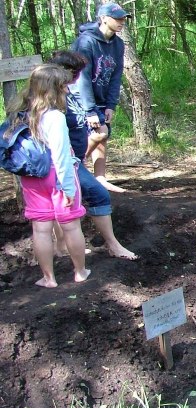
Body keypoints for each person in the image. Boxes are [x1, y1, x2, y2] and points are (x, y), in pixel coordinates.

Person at [3, 64, 91, 287]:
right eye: (63, 86)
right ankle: (80, 272)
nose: (66, 90)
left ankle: (48, 278)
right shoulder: (54, 117)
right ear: (53, 89)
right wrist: (68, 187)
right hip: (57, 176)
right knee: (71, 225)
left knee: (40, 228)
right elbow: (60, 155)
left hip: (31, 177)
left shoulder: (19, 113)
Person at [49, 50, 138, 260]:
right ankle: (113, 245)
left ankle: (61, 247)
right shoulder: (50, 98)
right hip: (60, 162)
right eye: (76, 73)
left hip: (74, 160)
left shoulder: (68, 92)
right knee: (97, 194)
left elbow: (84, 113)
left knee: (63, 203)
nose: (79, 77)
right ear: (65, 72)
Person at [71, 1, 131, 193]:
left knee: (103, 137)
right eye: (117, 18)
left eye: (124, 18)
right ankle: (73, 169)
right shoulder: (86, 41)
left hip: (103, 98)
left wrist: (111, 105)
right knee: (97, 133)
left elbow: (116, 76)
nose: (122, 22)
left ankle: (100, 178)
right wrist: (89, 109)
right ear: (104, 18)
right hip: (80, 98)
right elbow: (82, 77)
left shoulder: (118, 44)